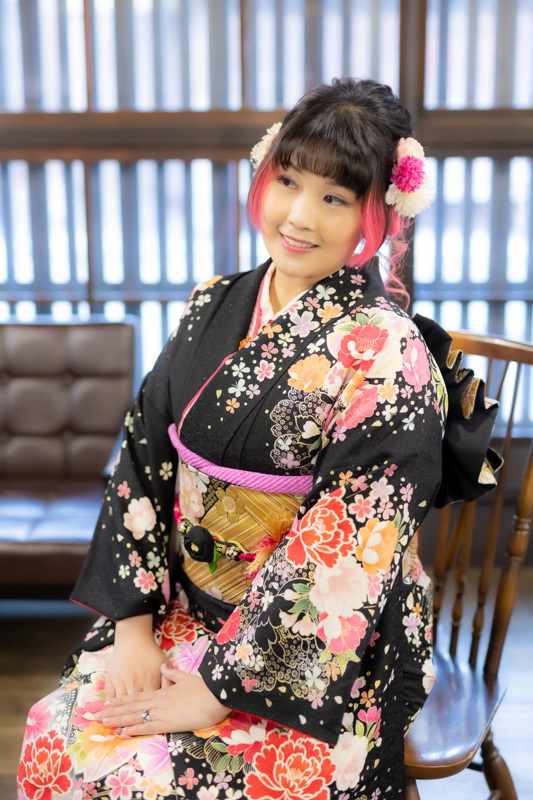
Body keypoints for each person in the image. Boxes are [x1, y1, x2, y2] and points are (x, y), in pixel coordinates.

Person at [18, 78, 500, 800]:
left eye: (334, 198)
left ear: (378, 210)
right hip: (184, 608)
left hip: (322, 647)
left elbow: (347, 549)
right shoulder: (213, 303)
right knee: (58, 735)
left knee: (146, 774)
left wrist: (218, 688)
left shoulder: (389, 357)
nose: (299, 217)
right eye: (288, 181)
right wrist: (133, 625)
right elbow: (143, 457)